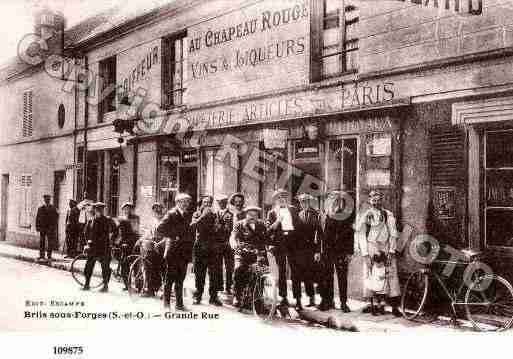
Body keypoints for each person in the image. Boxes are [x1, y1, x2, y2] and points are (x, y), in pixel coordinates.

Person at [355, 190, 401, 317]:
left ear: (382, 200)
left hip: (385, 247)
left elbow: (393, 234)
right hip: (371, 247)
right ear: (370, 201)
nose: (376, 202)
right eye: (373, 200)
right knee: (370, 275)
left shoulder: (388, 215)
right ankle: (373, 304)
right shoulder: (365, 215)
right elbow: (361, 235)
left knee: (390, 275)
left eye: (378, 200)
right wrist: (365, 254)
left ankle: (394, 307)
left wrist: (391, 251)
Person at [317, 190, 355, 312]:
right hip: (326, 252)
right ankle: (327, 301)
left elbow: (350, 234)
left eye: (335, 199)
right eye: (330, 199)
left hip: (341, 251)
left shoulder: (345, 215)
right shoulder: (322, 215)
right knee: (326, 277)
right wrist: (318, 251)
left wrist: (349, 252)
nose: (332, 202)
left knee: (342, 277)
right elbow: (319, 235)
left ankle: (343, 303)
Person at [157, 193, 194, 311]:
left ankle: (179, 304)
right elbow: (160, 228)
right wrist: (174, 236)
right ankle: (166, 304)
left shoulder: (187, 215)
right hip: (173, 251)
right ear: (177, 203)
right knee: (170, 278)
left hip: (183, 252)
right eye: (182, 202)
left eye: (187, 202)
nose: (185, 204)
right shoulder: (171, 214)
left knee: (180, 279)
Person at [266, 188, 301, 307]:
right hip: (279, 243)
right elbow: (269, 230)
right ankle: (283, 297)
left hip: (293, 243)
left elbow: (299, 227)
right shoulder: (271, 213)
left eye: (284, 197)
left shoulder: (293, 210)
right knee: (281, 271)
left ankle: (298, 299)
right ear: (275, 200)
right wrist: (277, 221)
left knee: (295, 271)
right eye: (279, 198)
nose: (282, 199)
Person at [230, 206, 268, 308]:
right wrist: (234, 244)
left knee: (261, 274)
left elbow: (267, 238)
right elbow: (233, 236)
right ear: (246, 215)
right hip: (242, 254)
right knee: (238, 270)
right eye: (250, 214)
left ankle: (257, 300)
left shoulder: (262, 225)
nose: (252, 217)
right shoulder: (239, 225)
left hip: (257, 254)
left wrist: (269, 246)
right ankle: (237, 296)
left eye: (255, 215)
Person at [191, 195, 223, 306]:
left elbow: (218, 229)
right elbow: (193, 226)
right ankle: (198, 296)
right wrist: (203, 216)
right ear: (201, 203)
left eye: (209, 203)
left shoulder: (215, 215)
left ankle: (213, 297)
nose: (207, 204)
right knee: (199, 273)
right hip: (200, 246)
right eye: (205, 202)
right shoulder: (196, 214)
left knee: (214, 273)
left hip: (212, 247)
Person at [82, 202, 118, 292]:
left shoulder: (107, 220)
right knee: (89, 266)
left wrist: (112, 240)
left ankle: (105, 286)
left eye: (101, 209)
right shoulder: (91, 220)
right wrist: (87, 243)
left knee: (105, 267)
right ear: (95, 210)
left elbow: (116, 230)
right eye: (97, 209)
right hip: (92, 247)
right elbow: (85, 232)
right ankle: (86, 284)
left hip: (104, 247)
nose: (99, 211)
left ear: (103, 210)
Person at [134, 202, 166, 296]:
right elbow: (148, 233)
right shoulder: (153, 221)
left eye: (159, 208)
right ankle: (151, 290)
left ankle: (165, 291)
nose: (157, 211)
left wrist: (159, 243)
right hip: (154, 247)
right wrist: (141, 239)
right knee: (149, 265)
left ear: (163, 209)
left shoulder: (166, 220)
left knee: (164, 269)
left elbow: (168, 236)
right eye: (155, 209)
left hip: (164, 247)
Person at [295, 193, 320, 310]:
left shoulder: (316, 215)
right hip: (299, 250)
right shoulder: (298, 215)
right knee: (299, 274)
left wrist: (317, 251)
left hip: (311, 249)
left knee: (309, 274)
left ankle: (311, 298)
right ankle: (298, 301)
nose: (304, 203)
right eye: (301, 202)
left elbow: (319, 234)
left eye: (306, 201)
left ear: (310, 202)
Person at [116, 202, 139, 291]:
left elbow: (135, 233)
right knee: (124, 266)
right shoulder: (121, 219)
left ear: (131, 209)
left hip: (133, 245)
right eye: (125, 209)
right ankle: (127, 285)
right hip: (123, 245)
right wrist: (115, 242)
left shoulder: (135, 218)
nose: (127, 210)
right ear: (123, 210)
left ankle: (138, 286)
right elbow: (119, 232)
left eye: (129, 208)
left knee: (135, 266)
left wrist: (128, 242)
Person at [35, 194, 59, 261]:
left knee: (50, 242)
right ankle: (41, 255)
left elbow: (56, 218)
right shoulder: (40, 208)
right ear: (44, 200)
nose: (47, 200)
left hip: (50, 228)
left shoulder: (53, 208)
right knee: (42, 242)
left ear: (49, 200)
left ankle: (49, 255)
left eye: (48, 199)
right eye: (46, 199)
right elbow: (37, 218)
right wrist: (37, 227)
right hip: (42, 228)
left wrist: (54, 226)